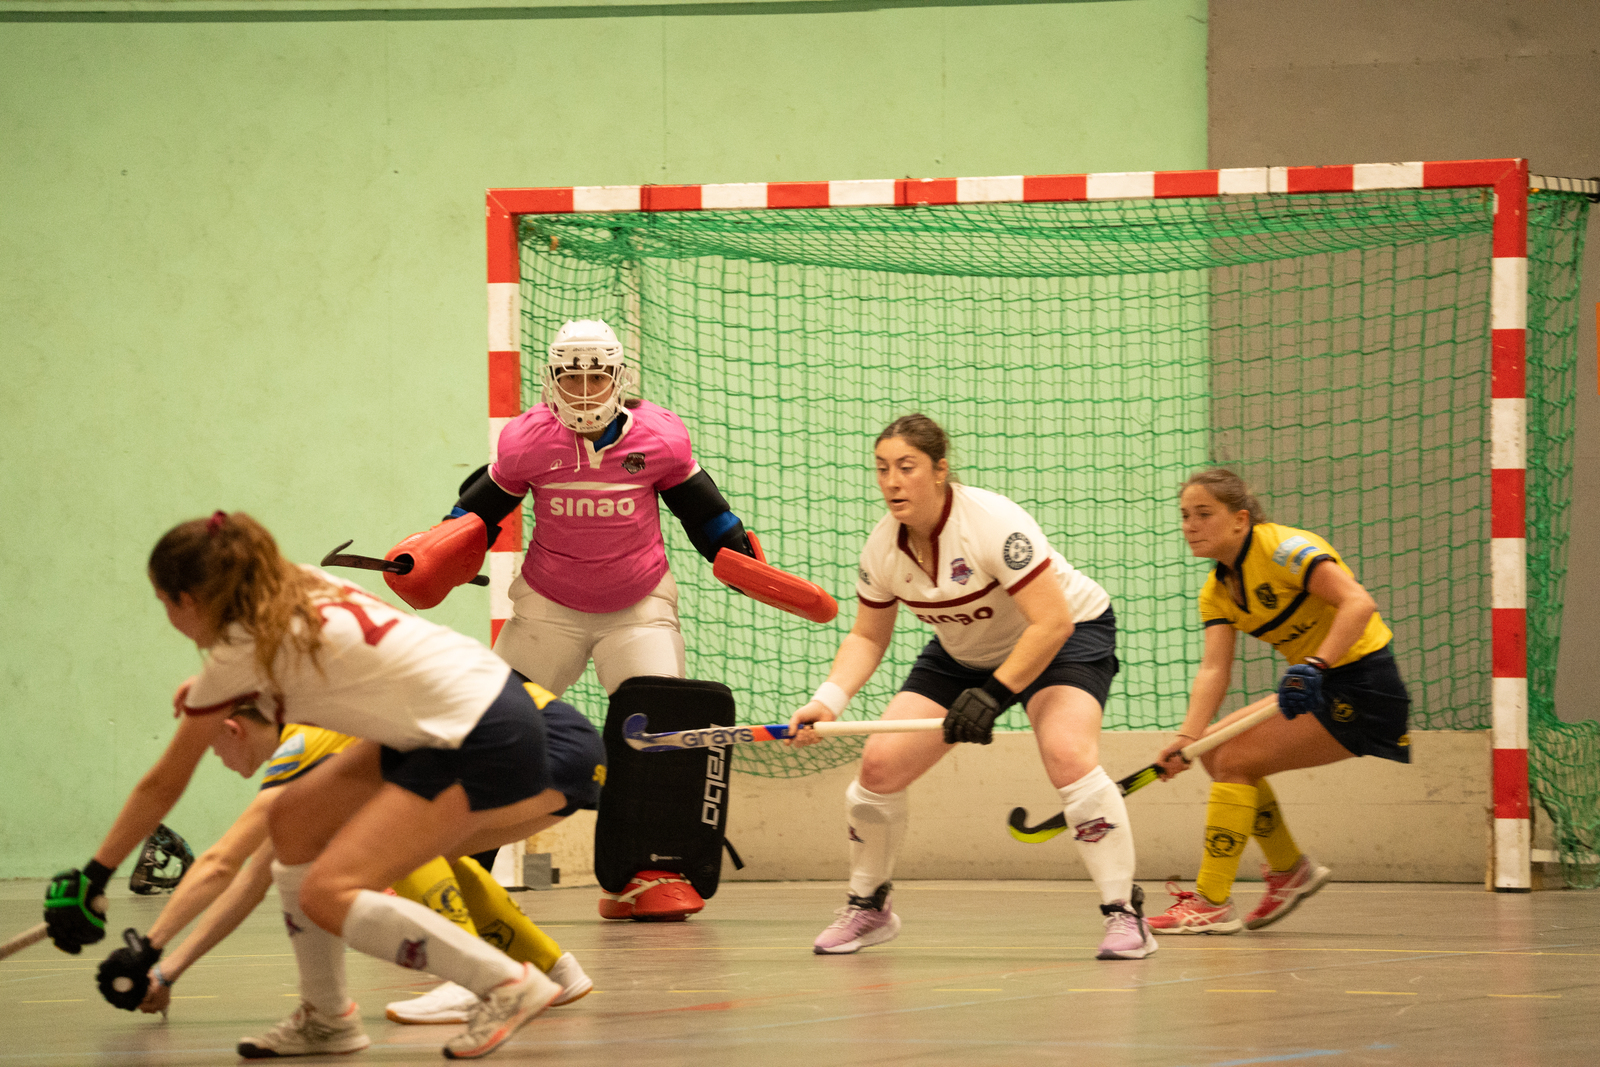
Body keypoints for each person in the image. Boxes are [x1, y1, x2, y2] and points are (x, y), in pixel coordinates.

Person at [44, 511, 606, 1060]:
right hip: (472, 707)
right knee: (290, 820)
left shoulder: (240, 651)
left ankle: (504, 983)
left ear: (186, 600)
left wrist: (93, 875)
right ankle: (327, 1017)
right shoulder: (299, 583)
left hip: (478, 731)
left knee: (327, 892)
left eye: (163, 602)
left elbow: (162, 784)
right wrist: (209, 686)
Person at [423, 319, 759, 925]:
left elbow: (702, 511)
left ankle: (648, 876)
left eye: (596, 376)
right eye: (570, 378)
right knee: (492, 731)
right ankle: (456, 873)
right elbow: (477, 513)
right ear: (551, 379)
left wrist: (738, 555)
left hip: (639, 609)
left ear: (619, 378)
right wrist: (433, 552)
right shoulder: (526, 441)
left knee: (660, 740)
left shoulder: (660, 438)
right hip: (547, 609)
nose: (583, 390)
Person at [787, 413, 1155, 961]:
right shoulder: (883, 549)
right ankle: (869, 907)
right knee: (879, 768)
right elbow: (867, 636)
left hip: (1066, 636)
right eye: (882, 469)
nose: (891, 482)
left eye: (906, 467)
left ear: (940, 470)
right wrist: (826, 702)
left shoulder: (991, 523)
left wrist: (994, 696)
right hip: (965, 650)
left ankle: (1124, 913)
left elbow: (1051, 623)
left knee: (1068, 755)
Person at [104, 702, 590, 1023]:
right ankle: (553, 968)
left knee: (388, 841)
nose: (217, 757)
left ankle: (470, 980)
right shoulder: (326, 730)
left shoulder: (302, 743)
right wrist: (166, 972)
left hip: (534, 743)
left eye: (213, 746)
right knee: (425, 843)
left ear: (233, 728)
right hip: (574, 750)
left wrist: (148, 949)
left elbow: (220, 864)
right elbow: (256, 876)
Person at [1146, 469, 1411, 934]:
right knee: (1211, 752)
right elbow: (1214, 670)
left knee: (1235, 760)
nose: (1190, 526)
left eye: (1203, 514)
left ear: (1240, 519)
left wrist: (1316, 664)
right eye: (1185, 515)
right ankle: (1289, 871)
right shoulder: (1216, 591)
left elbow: (1358, 603)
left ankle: (1211, 901)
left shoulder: (1284, 549)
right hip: (1319, 682)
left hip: (1363, 684)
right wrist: (1186, 738)